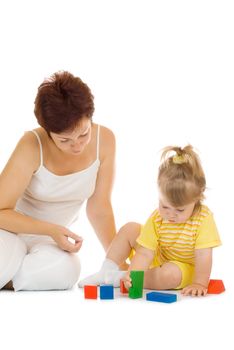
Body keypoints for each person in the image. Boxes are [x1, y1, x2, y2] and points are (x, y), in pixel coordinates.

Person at [0, 71, 117, 291]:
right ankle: (11, 269)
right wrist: (50, 229)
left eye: (83, 134)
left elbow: (100, 208)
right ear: (48, 132)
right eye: (64, 140)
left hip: (50, 240)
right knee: (9, 251)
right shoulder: (32, 144)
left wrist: (117, 261)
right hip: (8, 230)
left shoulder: (106, 141)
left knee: (67, 270)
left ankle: (8, 275)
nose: (77, 145)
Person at [78, 145, 221, 297]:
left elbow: (203, 255)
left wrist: (200, 282)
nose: (171, 215)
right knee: (130, 228)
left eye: (180, 210)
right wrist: (134, 273)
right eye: (165, 206)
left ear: (197, 198)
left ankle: (119, 278)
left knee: (169, 274)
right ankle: (106, 271)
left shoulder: (203, 219)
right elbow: (145, 253)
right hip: (156, 257)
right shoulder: (157, 218)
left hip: (182, 268)